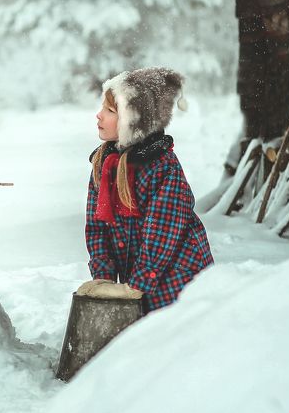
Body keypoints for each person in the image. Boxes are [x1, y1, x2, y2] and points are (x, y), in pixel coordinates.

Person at [82, 67, 213, 312]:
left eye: (110, 111)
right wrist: (104, 276)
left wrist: (140, 281)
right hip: (139, 282)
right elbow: (96, 226)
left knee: (171, 340)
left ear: (134, 121)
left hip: (179, 279)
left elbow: (163, 230)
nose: (98, 116)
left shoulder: (162, 166)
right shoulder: (103, 164)